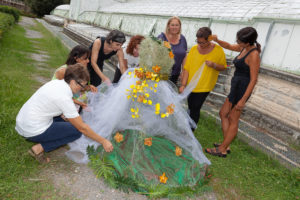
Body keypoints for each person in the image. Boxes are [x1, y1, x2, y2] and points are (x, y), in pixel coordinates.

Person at [65, 37, 210, 196]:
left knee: (136, 126)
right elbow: (123, 103)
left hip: (139, 111)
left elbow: (130, 102)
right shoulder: (142, 76)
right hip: (136, 110)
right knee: (130, 125)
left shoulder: (143, 77)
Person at [15, 64, 113, 164]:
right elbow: (82, 128)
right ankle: (39, 148)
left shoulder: (57, 83)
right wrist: (103, 141)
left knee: (67, 121)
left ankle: (43, 141)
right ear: (73, 82)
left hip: (23, 122)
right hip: (31, 130)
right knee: (76, 131)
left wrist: (86, 88)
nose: (82, 88)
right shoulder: (64, 98)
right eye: (82, 85)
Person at [205, 27, 261, 157]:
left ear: (248, 42)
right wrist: (217, 40)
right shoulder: (243, 48)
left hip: (242, 89)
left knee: (233, 118)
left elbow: (253, 80)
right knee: (223, 113)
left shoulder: (253, 55)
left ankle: (222, 149)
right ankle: (226, 144)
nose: (237, 42)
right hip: (235, 87)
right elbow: (229, 46)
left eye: (240, 41)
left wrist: (242, 100)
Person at [179, 27, 227, 130]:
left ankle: (190, 131)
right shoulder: (193, 49)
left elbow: (223, 67)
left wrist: (213, 65)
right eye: (198, 42)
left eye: (202, 43)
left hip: (204, 86)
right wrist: (183, 85)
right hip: (191, 85)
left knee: (195, 108)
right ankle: (188, 128)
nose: (200, 45)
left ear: (209, 39)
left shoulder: (218, 50)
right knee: (191, 107)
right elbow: (187, 68)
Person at [52, 45, 97, 111]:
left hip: (67, 104)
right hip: (57, 106)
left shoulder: (79, 71)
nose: (88, 61)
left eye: (88, 58)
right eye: (85, 58)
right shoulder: (63, 71)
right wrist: (80, 103)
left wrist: (88, 87)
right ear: (76, 58)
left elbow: (76, 88)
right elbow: (60, 94)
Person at [158, 16, 187, 85]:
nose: (175, 27)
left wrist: (183, 72)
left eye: (177, 25)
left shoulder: (182, 39)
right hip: (162, 74)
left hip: (175, 75)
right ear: (168, 26)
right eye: (172, 25)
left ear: (180, 26)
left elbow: (184, 56)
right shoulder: (161, 38)